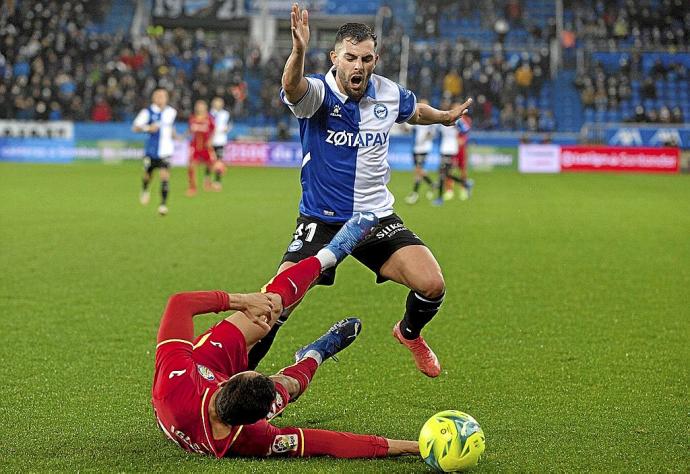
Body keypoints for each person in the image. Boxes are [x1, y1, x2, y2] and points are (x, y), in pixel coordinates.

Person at [249, 5, 473, 378]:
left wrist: (444, 117)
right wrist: (299, 50)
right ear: (335, 58)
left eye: (366, 58)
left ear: (375, 59)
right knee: (275, 304)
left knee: (432, 284)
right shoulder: (318, 93)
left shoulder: (386, 93)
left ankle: (409, 333)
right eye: (350, 57)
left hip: (373, 219)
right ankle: (231, 385)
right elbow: (292, 86)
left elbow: (413, 111)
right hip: (321, 222)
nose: (358, 66)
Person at [152, 212, 420, 459]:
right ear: (258, 419)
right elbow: (329, 443)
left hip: (201, 365)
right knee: (289, 386)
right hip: (210, 393)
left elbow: (179, 303)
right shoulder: (255, 437)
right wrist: (414, 447)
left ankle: (330, 254)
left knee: (269, 306)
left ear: (223, 383)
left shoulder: (175, 380)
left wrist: (242, 301)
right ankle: (315, 353)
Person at [132, 88, 177, 216]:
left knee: (164, 176)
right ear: (153, 98)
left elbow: (168, 126)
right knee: (148, 175)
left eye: (163, 96)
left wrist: (174, 136)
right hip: (151, 150)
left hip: (166, 150)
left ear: (167, 98)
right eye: (158, 96)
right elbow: (135, 127)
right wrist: (147, 127)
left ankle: (163, 205)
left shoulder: (171, 112)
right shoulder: (147, 112)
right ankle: (145, 189)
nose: (160, 98)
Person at [434, 113, 473, 205]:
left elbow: (466, 129)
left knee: (443, 173)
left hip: (451, 149)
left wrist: (462, 138)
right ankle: (466, 183)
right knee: (446, 173)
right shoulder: (441, 121)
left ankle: (440, 198)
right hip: (445, 149)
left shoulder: (457, 121)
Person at [404, 99, 437, 205]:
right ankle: (432, 185)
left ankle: (415, 193)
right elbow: (408, 128)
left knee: (418, 170)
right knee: (418, 170)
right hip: (416, 148)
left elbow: (432, 134)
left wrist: (428, 136)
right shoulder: (416, 117)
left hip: (424, 148)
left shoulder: (430, 120)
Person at [187, 100, 217, 196]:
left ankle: (208, 182)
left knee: (212, 165)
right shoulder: (192, 118)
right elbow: (190, 131)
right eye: (198, 106)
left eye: (201, 106)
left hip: (206, 146)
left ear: (205, 107)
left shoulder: (209, 118)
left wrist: (211, 140)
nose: (199, 108)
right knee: (192, 166)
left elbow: (213, 130)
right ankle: (192, 187)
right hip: (195, 146)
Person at [210, 97, 231, 191]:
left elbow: (229, 125)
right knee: (209, 161)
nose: (218, 104)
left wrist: (227, 128)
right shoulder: (209, 114)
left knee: (219, 161)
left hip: (220, 141)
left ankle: (217, 182)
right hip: (210, 141)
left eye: (220, 102)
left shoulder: (226, 114)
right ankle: (207, 180)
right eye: (216, 102)